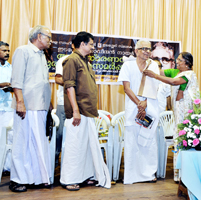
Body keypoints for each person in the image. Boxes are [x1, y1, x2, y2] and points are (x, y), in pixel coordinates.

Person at [60, 31, 111, 191]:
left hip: (87, 112)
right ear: (82, 44)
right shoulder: (71, 60)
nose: (93, 47)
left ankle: (84, 176)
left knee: (86, 147)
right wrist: (75, 110)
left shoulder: (85, 61)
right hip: (78, 112)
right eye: (91, 44)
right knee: (75, 146)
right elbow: (69, 86)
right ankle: (69, 179)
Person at [144, 52, 200, 182]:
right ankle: (179, 174)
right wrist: (151, 66)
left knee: (183, 139)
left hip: (186, 115)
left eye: (180, 60)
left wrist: (155, 76)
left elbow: (174, 82)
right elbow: (165, 75)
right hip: (179, 114)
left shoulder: (189, 74)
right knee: (178, 140)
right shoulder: (179, 73)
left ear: (187, 63)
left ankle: (185, 174)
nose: (177, 62)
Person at [9, 25, 53, 192]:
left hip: (40, 106)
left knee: (38, 143)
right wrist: (20, 101)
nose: (50, 40)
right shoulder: (23, 51)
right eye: (48, 37)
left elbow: (40, 82)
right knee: (23, 142)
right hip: (26, 106)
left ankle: (37, 178)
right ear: (38, 36)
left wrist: (48, 102)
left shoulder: (41, 55)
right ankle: (17, 179)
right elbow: (17, 79)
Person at [118, 39, 160, 184]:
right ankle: (131, 176)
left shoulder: (153, 65)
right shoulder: (127, 66)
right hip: (133, 109)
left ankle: (148, 174)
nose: (146, 51)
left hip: (150, 108)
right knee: (132, 143)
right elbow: (126, 88)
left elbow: (157, 88)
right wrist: (139, 105)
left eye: (148, 49)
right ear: (136, 51)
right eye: (143, 48)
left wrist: (145, 103)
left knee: (148, 143)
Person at [54, 40, 74, 168]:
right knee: (60, 134)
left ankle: (71, 163)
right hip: (63, 102)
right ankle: (54, 160)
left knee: (75, 135)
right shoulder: (64, 60)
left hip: (79, 104)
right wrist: (73, 84)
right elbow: (57, 78)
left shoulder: (87, 62)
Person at [0, 41, 13, 176]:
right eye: (4, 51)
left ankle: (6, 167)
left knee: (8, 137)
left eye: (8, 51)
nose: (7, 53)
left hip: (8, 107)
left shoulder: (11, 67)